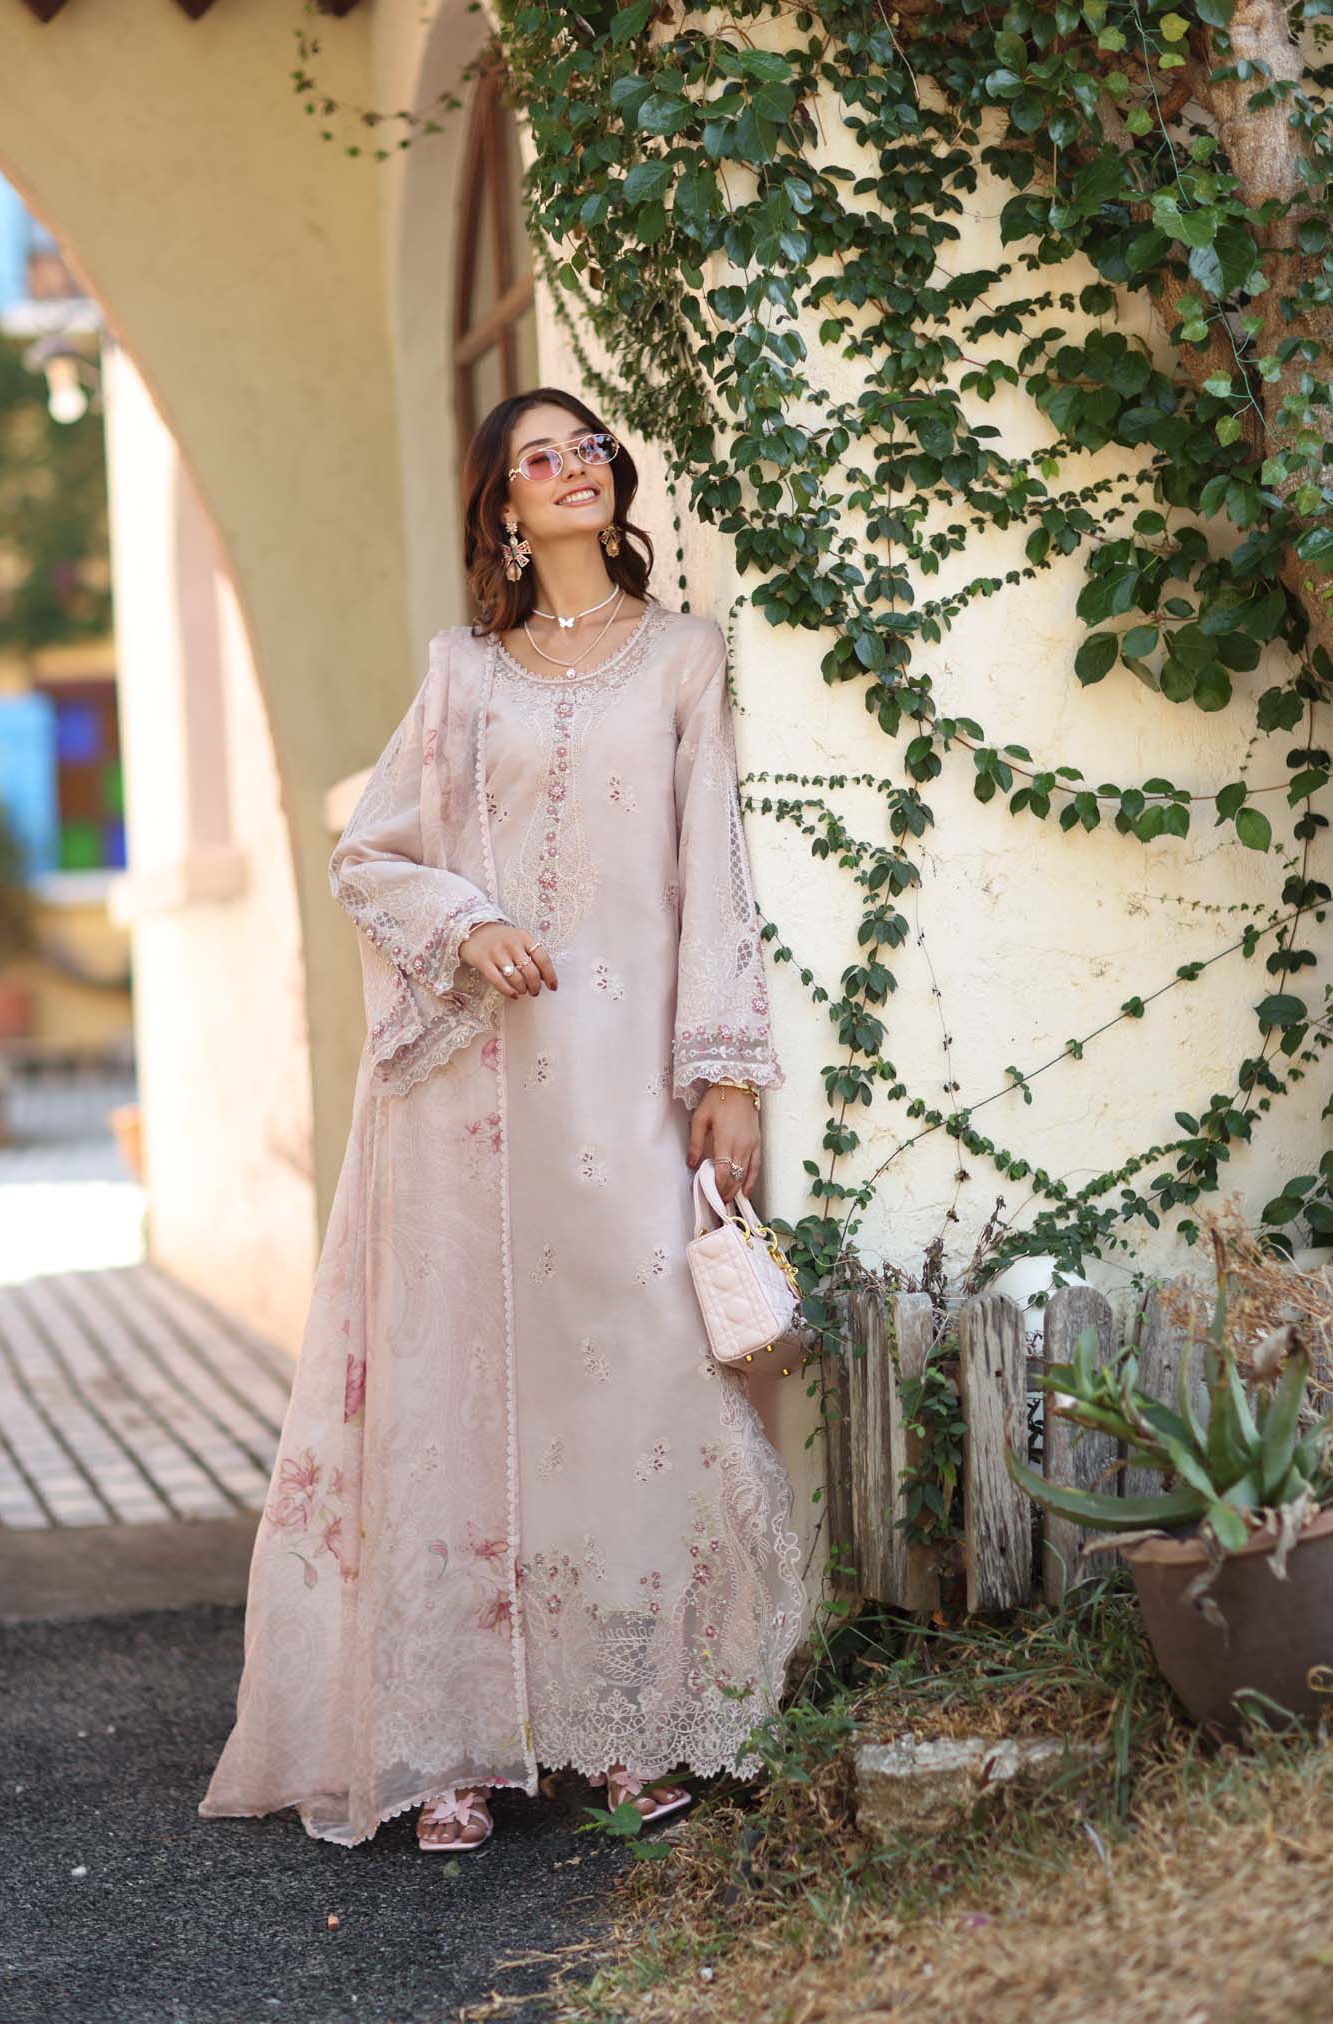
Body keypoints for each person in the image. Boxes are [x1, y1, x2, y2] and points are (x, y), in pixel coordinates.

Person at [197, 385, 808, 1854]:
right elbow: (368, 856)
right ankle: (451, 1741)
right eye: (541, 458)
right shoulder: (462, 678)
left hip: (622, 1082)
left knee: (634, 1379)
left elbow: (713, 872)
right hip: (470, 1097)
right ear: (506, 509)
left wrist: (725, 1072)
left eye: (589, 446)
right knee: (457, 1398)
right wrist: (466, 922)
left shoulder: (684, 658)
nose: (574, 467)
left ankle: (628, 1727)